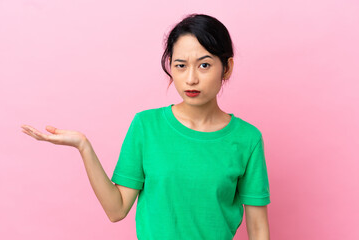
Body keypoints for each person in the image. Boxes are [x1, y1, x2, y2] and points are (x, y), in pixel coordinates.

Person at [21, 13, 271, 240]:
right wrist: (83, 146)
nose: (191, 78)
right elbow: (116, 209)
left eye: (204, 65)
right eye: (180, 65)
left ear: (226, 68)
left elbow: (258, 229)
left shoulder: (247, 139)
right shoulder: (146, 126)